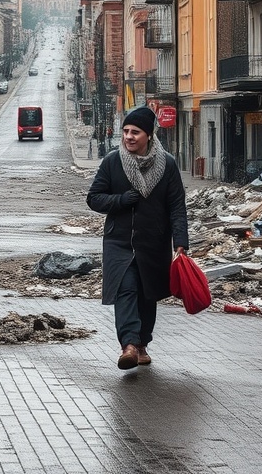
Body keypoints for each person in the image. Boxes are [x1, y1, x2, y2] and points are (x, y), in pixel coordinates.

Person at [86, 106, 188, 370]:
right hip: (118, 242)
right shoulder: (112, 161)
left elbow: (177, 206)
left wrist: (181, 242)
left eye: (135, 132)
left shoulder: (167, 164)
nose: (129, 137)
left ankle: (142, 343)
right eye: (126, 131)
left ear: (149, 135)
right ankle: (128, 345)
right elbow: (94, 198)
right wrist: (120, 200)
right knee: (126, 289)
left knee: (147, 295)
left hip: (153, 243)